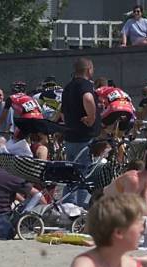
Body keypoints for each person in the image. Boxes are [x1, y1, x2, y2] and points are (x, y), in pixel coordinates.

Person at [62, 58, 99, 206]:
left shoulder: (68, 87)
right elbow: (88, 98)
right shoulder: (85, 85)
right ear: (89, 69)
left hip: (70, 136)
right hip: (84, 137)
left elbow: (63, 111)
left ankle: (68, 204)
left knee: (71, 174)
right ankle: (81, 206)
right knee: (85, 174)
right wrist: (91, 117)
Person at [103, 148, 147, 216]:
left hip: (113, 207)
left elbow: (146, 207)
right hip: (101, 204)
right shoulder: (133, 180)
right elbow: (127, 210)